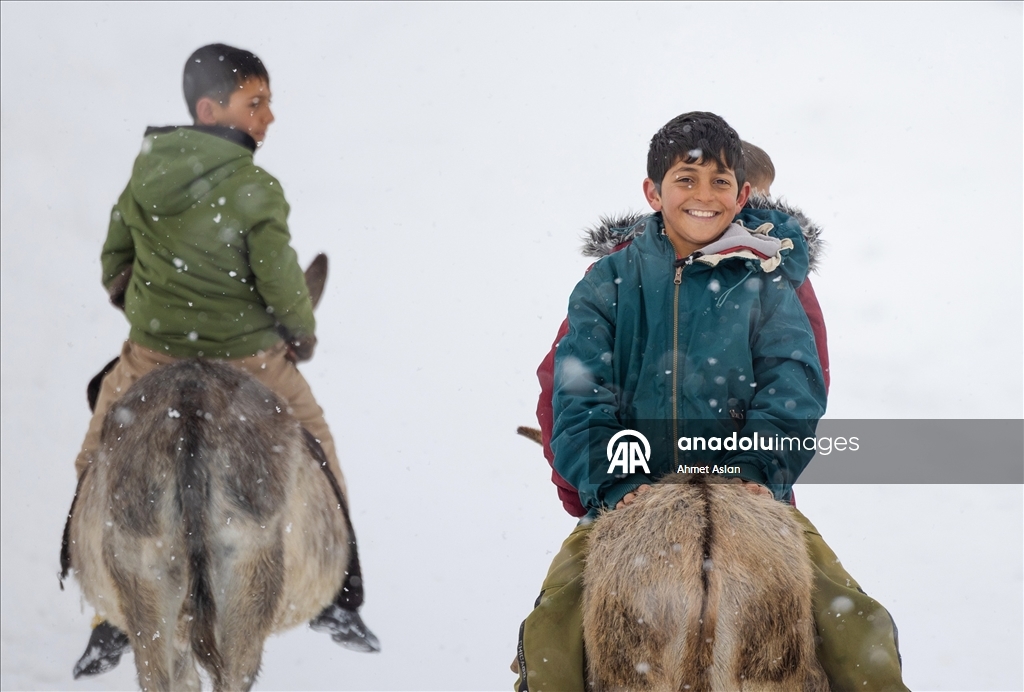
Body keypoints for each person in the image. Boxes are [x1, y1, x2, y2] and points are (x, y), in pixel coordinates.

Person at [514, 112, 907, 691]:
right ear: (654, 191)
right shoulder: (608, 281)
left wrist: (757, 466)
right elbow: (575, 393)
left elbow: (795, 384)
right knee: (550, 631)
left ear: (743, 194)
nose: (706, 198)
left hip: (749, 486)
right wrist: (608, 482)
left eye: (721, 183)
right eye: (687, 181)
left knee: (856, 626)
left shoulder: (766, 278)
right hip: (631, 487)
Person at [71, 43, 378, 678]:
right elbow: (281, 281)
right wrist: (300, 333)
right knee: (316, 440)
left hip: (151, 358)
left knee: (98, 445)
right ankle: (341, 597)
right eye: (255, 104)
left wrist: (146, 304)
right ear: (211, 110)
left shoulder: (146, 169)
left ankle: (102, 610)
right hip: (250, 364)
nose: (268, 117)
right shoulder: (255, 187)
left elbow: (112, 258)